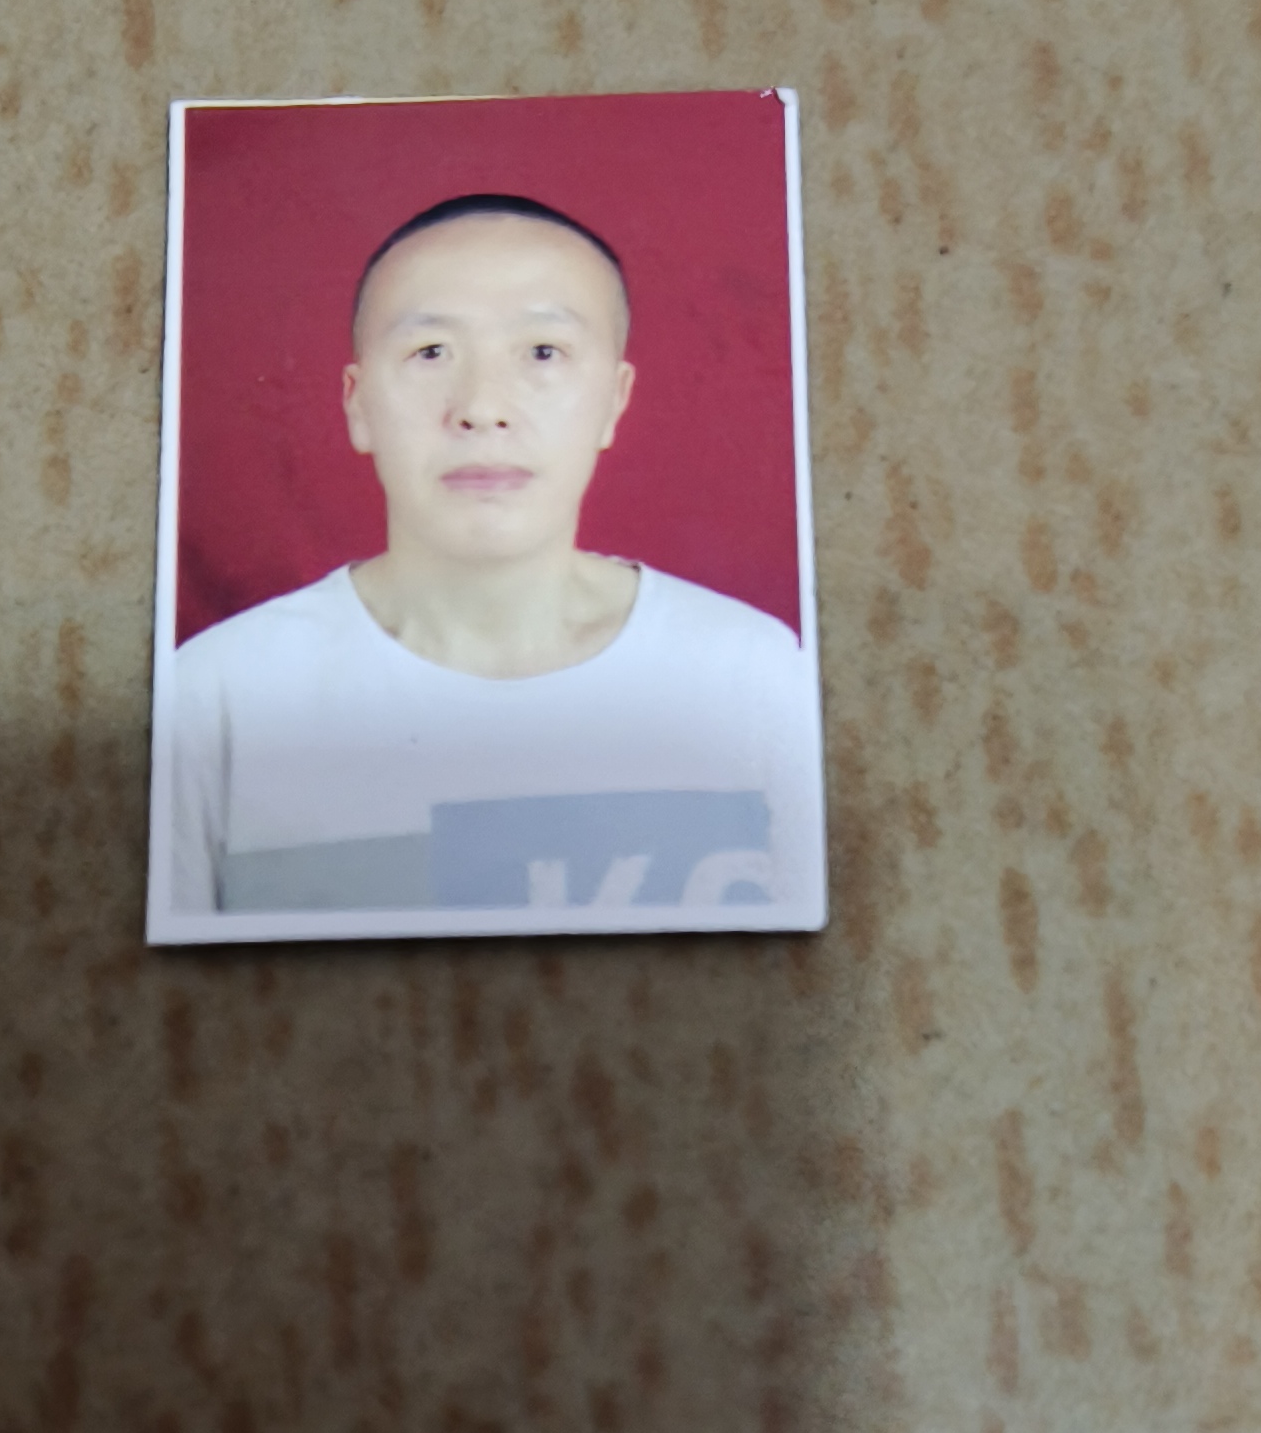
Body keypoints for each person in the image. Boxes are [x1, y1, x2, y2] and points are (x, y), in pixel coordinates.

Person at [158, 192, 823, 925]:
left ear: (614, 401)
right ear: (357, 403)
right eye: (430, 353)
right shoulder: (219, 694)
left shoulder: (751, 675)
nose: (481, 408)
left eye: (543, 352)